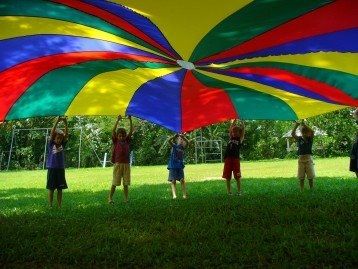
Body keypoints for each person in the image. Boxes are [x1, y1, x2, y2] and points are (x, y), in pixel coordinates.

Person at [108, 115, 133, 204]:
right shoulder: (116, 141)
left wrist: (130, 120)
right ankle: (110, 198)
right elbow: (113, 131)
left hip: (126, 165)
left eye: (123, 136)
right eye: (119, 136)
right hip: (118, 164)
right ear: (117, 136)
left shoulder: (127, 141)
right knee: (115, 183)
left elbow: (131, 131)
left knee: (126, 184)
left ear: (125, 136)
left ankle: (126, 199)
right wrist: (117, 120)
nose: (121, 137)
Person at [46, 116, 68, 208]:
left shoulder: (62, 144)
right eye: (57, 138)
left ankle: (59, 205)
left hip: (60, 169)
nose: (59, 140)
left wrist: (65, 123)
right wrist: (57, 121)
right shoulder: (51, 144)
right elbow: (52, 132)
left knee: (60, 189)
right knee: (51, 189)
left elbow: (66, 135)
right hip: (52, 168)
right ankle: (50, 205)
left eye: (60, 138)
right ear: (54, 139)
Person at [222, 119, 245, 195]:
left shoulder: (240, 139)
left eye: (236, 132)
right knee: (227, 177)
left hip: (235, 159)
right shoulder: (230, 138)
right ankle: (229, 192)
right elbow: (231, 128)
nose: (234, 133)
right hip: (228, 159)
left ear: (239, 133)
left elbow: (243, 130)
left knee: (237, 177)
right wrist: (234, 120)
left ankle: (239, 191)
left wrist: (242, 122)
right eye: (233, 132)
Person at [292, 120, 315, 190]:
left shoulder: (310, 139)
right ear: (301, 133)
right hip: (301, 159)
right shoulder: (299, 139)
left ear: (308, 133)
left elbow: (312, 132)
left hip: (308, 159)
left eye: (306, 132)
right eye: (303, 132)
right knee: (301, 176)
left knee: (310, 176)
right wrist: (296, 125)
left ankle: (311, 188)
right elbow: (293, 134)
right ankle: (301, 189)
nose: (305, 134)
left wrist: (304, 125)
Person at [167, 133, 189, 199]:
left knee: (182, 180)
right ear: (177, 140)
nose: (181, 140)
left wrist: (184, 137)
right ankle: (174, 195)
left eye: (182, 139)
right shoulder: (174, 146)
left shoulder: (183, 147)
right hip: (173, 166)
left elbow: (187, 142)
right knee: (173, 181)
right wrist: (174, 136)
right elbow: (168, 141)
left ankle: (184, 195)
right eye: (180, 139)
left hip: (179, 166)